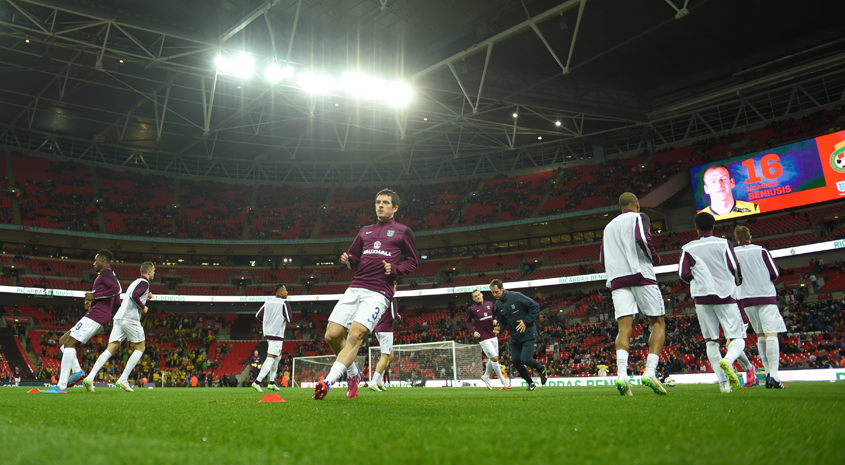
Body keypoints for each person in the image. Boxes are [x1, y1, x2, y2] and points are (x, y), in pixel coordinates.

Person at [313, 189, 418, 400]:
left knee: (355, 335)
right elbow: (354, 257)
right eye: (378, 202)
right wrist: (347, 258)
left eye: (386, 203)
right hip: (356, 286)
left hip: (379, 291)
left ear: (395, 207)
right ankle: (354, 375)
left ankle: (328, 382)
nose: (381, 205)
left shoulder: (403, 231)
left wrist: (395, 270)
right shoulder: (365, 230)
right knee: (331, 335)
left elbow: (413, 261)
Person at [600, 192, 667, 397]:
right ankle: (650, 372)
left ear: (619, 207)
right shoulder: (640, 217)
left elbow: (603, 257)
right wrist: (655, 257)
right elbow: (642, 238)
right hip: (640, 275)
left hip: (617, 279)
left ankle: (621, 375)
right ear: (637, 205)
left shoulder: (608, 226)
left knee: (624, 327)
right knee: (658, 322)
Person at [679, 212, 745, 393]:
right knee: (737, 336)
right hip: (725, 295)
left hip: (702, 298)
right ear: (713, 226)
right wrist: (737, 282)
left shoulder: (688, 248)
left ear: (696, 227)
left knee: (711, 341)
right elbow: (734, 267)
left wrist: (699, 279)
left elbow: (683, 274)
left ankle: (724, 384)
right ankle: (729, 360)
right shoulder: (724, 243)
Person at [41, 249, 121, 394]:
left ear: (103, 259)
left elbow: (117, 289)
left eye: (96, 259)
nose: (93, 263)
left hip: (97, 315)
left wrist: (95, 295)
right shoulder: (110, 275)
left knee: (70, 344)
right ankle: (77, 371)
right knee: (63, 341)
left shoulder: (106, 272)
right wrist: (94, 301)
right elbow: (116, 302)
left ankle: (61, 386)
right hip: (98, 314)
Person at [83, 261, 155, 393]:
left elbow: (132, 295)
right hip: (130, 318)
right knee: (140, 348)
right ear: (149, 271)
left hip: (119, 317)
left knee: (111, 348)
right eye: (154, 271)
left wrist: (145, 298)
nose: (154, 273)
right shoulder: (145, 283)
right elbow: (135, 296)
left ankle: (90, 377)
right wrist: (143, 307)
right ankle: (123, 379)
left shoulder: (136, 282)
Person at [733, 225, 788, 389]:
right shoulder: (761, 251)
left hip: (746, 298)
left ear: (736, 239)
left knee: (761, 336)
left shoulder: (733, 254)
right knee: (772, 335)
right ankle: (774, 376)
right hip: (765, 296)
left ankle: (768, 375)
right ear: (750, 237)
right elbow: (775, 273)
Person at [490, 279, 547, 391]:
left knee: (525, 359)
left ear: (502, 288)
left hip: (528, 333)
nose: (495, 294)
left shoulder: (516, 296)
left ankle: (541, 369)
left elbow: (535, 306)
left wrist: (525, 321)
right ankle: (531, 383)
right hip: (515, 336)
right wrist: (499, 328)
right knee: (516, 361)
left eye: (497, 292)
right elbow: (502, 321)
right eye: (493, 293)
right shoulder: (498, 304)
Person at [252, 284, 292, 393]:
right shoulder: (284, 303)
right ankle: (257, 382)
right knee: (270, 358)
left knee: (277, 357)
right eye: (285, 290)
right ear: (280, 293)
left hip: (268, 333)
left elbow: (258, 315)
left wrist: (269, 323)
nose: (287, 292)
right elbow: (289, 318)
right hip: (277, 334)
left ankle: (272, 382)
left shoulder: (268, 302)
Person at [466, 289, 506, 390]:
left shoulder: (490, 304)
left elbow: (495, 314)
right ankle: (503, 380)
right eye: (475, 296)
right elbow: (467, 322)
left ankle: (486, 377)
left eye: (479, 295)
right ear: (473, 298)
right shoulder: (472, 309)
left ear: (482, 294)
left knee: (493, 358)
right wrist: (473, 332)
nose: (478, 297)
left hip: (493, 335)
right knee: (495, 358)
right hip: (483, 337)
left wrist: (495, 319)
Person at [370, 283, 400, 392]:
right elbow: (393, 315)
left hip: (378, 329)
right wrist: (398, 317)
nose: (396, 289)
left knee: (390, 355)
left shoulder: (380, 297)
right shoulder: (392, 298)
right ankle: (373, 382)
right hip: (386, 330)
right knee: (385, 355)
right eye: (395, 287)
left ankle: (379, 380)